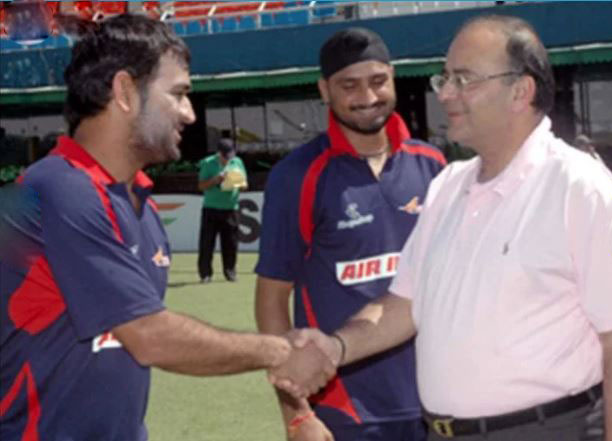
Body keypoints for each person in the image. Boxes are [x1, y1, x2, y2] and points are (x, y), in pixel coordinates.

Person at [277, 14, 612, 441]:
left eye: (464, 79)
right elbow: (403, 303)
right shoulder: (447, 184)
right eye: (445, 78)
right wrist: (336, 346)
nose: (445, 94)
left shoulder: (589, 184)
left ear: (521, 91)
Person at [0, 14, 329, 441]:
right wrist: (280, 350)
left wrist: (299, 414)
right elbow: (149, 336)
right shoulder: (57, 188)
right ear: (124, 91)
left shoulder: (140, 204)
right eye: (178, 94)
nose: (190, 114)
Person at [255, 27, 446, 441]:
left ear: (393, 79)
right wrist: (296, 414)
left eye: (378, 81)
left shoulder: (433, 165)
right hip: (344, 410)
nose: (367, 96)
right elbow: (271, 299)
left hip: (439, 403)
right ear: (325, 90)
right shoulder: (298, 175)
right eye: (349, 85)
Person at [197, 138, 248, 283]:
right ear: (219, 153)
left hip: (231, 208)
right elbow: (201, 185)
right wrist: (216, 180)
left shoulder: (237, 162)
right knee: (207, 243)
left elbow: (245, 185)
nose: (228, 159)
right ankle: (205, 274)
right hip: (211, 208)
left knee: (231, 243)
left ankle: (230, 271)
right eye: (225, 156)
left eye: (230, 156)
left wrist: (238, 183)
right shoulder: (208, 163)